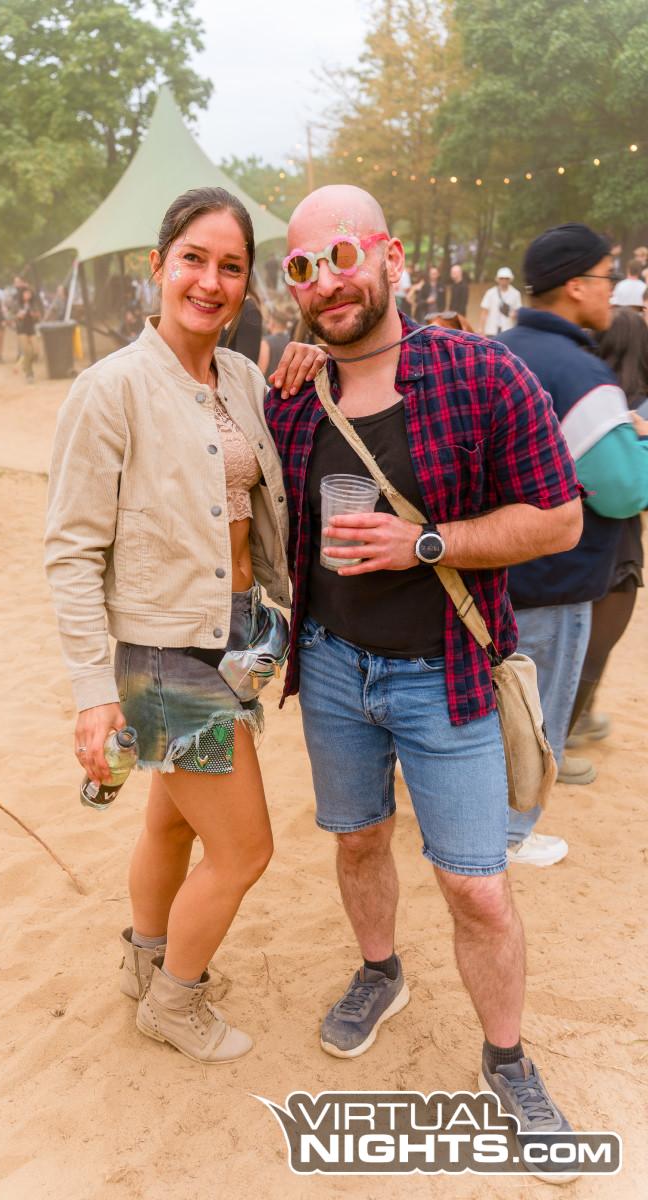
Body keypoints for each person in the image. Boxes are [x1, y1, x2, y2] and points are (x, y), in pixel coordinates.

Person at [265, 184, 583, 1177]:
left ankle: (506, 1060)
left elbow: (559, 519)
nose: (326, 282)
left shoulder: (480, 374)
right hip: (330, 667)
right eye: (302, 268)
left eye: (342, 255)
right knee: (357, 838)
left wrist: (425, 542)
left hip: (447, 677)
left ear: (390, 256)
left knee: (475, 888)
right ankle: (380, 970)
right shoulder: (292, 394)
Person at [45, 186, 323, 1064]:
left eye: (231, 266)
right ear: (158, 265)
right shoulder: (110, 389)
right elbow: (70, 551)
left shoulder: (241, 378)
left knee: (170, 823)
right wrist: (94, 694)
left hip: (239, 635)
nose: (210, 281)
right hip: (169, 653)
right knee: (244, 851)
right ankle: (174, 1001)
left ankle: (146, 960)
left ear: (247, 283)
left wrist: (309, 361)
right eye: (193, 259)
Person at [500, 224, 648, 863]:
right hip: (555, 576)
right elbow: (622, 490)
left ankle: (487, 827)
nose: (613, 289)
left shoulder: (495, 350)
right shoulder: (583, 373)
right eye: (607, 276)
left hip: (488, 569)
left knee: (492, 707)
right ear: (576, 285)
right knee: (536, 715)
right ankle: (511, 834)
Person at [566, 308, 648, 747]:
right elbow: (633, 493)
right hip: (617, 546)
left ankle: (574, 720)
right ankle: (565, 731)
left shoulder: (582, 393)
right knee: (593, 649)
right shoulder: (628, 409)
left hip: (568, 536)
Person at [479, 267, 521, 336]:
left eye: (506, 278)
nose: (504, 280)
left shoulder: (516, 294)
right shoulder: (490, 293)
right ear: (497, 279)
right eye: (501, 278)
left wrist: (514, 314)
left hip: (508, 330)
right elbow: (484, 312)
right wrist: (481, 329)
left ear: (510, 279)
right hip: (491, 330)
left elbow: (518, 311)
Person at [258, 306, 291, 382]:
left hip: (270, 385)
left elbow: (261, 371)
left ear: (272, 323)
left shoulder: (266, 342)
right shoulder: (292, 340)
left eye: (268, 321)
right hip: (286, 385)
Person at [15, 287, 41, 382]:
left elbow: (38, 316)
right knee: (27, 351)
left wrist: (34, 315)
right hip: (22, 329)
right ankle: (29, 374)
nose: (27, 295)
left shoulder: (34, 305)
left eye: (29, 293)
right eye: (25, 293)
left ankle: (25, 364)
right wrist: (18, 316)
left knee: (36, 351)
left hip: (31, 329)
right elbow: (12, 315)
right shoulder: (18, 305)